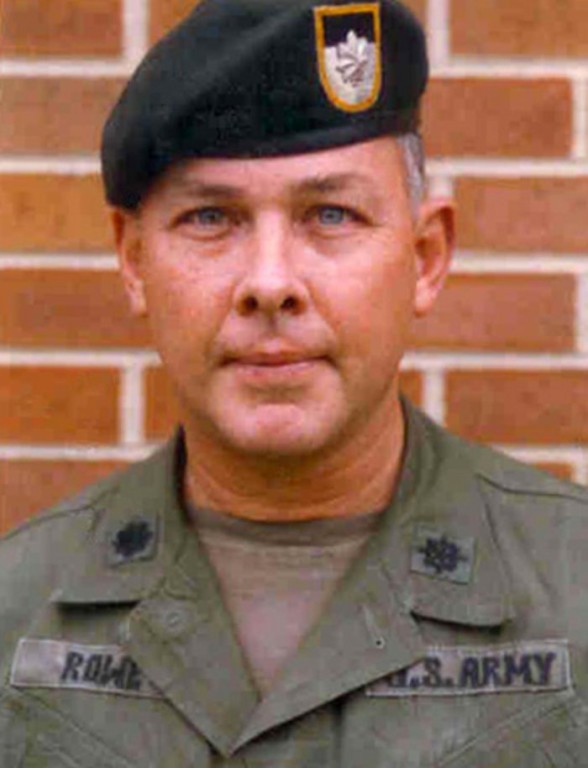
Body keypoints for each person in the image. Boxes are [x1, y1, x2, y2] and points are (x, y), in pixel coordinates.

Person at [1, 0, 588, 765]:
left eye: (332, 215)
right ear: (133, 259)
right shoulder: (19, 607)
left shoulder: (572, 590)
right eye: (212, 217)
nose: (270, 283)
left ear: (426, 255)